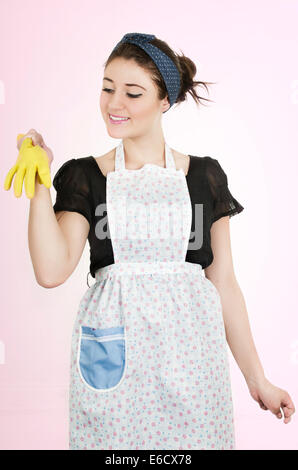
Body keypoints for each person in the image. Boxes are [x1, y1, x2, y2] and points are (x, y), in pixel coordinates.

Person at [7, 32, 295, 450]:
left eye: (132, 93)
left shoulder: (204, 178)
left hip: (194, 373)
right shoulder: (86, 177)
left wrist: (258, 380)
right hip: (114, 373)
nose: (113, 103)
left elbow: (225, 284)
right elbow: (51, 271)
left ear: (165, 101)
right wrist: (38, 182)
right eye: (107, 88)